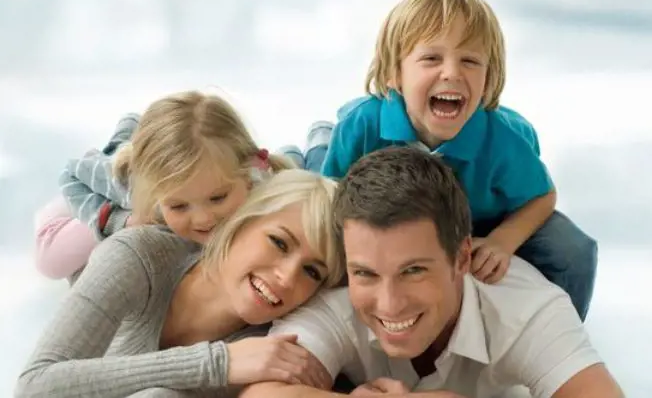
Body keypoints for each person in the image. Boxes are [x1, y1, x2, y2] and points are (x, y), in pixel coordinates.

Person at [241, 147, 623, 398]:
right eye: (366, 274)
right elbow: (262, 394)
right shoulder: (333, 297)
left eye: (413, 271)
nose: (389, 304)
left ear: (461, 258)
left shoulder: (530, 310)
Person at [319, 0, 597, 320]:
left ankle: (562, 335)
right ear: (395, 73)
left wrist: (502, 240)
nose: (452, 72)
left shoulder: (501, 139)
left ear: (489, 76)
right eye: (431, 59)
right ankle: (316, 141)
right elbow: (331, 194)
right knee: (312, 195)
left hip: (483, 217)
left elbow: (542, 196)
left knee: (573, 249)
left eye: (470, 61)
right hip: (399, 211)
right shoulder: (362, 124)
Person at [16, 169, 344, 398]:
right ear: (241, 222)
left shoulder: (274, 348)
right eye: (279, 243)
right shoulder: (140, 256)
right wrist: (219, 363)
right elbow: (34, 386)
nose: (287, 277)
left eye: (312, 272)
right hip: (100, 233)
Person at [32, 90, 299, 281]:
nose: (203, 218)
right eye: (179, 206)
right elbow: (70, 174)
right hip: (105, 186)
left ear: (246, 172)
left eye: (218, 198)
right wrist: (116, 221)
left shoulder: (262, 184)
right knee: (51, 261)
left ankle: (130, 131)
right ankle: (127, 131)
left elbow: (295, 162)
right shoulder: (133, 187)